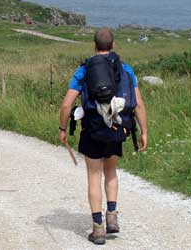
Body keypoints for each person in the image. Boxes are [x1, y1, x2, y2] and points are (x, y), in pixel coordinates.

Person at [59, 28, 148, 245]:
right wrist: (144, 131)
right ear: (113, 45)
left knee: (93, 177)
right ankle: (112, 217)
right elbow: (138, 104)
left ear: (94, 45)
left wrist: (63, 129)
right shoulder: (125, 69)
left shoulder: (84, 70)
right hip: (117, 130)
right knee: (111, 173)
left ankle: (98, 229)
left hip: (92, 130)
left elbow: (66, 104)